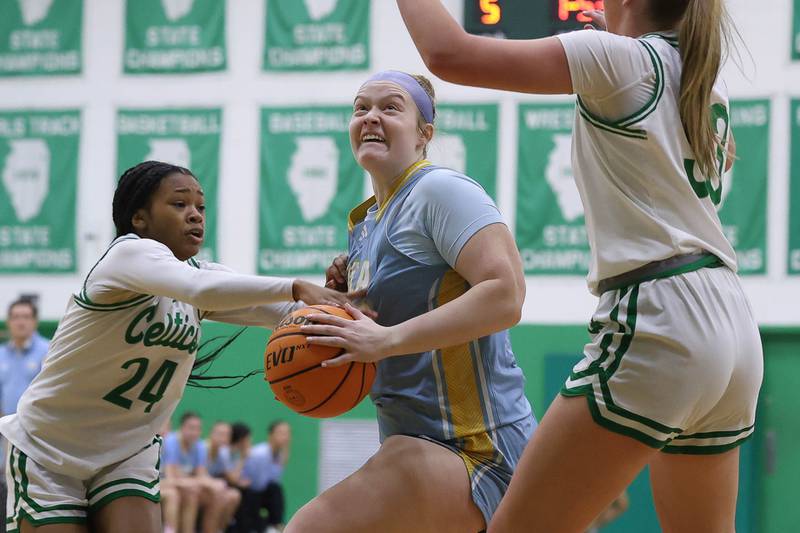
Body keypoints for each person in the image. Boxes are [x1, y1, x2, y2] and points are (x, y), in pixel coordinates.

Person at [393, 1, 763, 532]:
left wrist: (609, 53)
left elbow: (447, 54)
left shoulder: (618, 60)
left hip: (662, 314)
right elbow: (716, 154)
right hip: (733, 326)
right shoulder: (702, 79)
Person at [0, 160, 358, 533]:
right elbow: (200, 289)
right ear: (139, 218)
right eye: (179, 204)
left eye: (200, 207)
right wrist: (296, 285)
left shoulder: (202, 278)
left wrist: (336, 294)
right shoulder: (126, 256)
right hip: (51, 448)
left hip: (128, 450)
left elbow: (289, 314)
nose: (195, 215)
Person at [286, 70, 535, 533]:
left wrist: (386, 339)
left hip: (478, 450)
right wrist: (345, 301)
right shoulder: (365, 225)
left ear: (424, 135)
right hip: (416, 442)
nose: (370, 117)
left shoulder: (440, 190)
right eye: (361, 108)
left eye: (390, 107)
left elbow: (507, 294)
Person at [162, 412, 239, 533]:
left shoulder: (199, 446)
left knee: (217, 496)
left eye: (198, 428)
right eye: (191, 428)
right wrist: (202, 482)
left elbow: (201, 475)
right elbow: (171, 478)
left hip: (185, 487)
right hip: (163, 483)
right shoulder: (171, 442)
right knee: (180, 494)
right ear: (182, 427)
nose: (195, 432)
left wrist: (213, 484)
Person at [0, 299, 48, 417]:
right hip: (5, 423)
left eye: (26, 317)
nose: (21, 322)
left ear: (35, 322)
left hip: (37, 423)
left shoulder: (49, 351)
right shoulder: (1, 353)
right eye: (15, 317)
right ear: (8, 322)